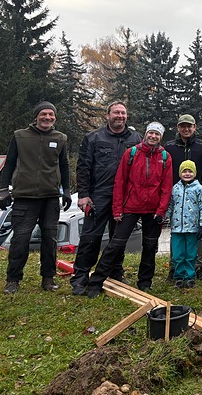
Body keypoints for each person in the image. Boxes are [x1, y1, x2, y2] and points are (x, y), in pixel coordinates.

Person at [87, 122, 173, 297]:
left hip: (152, 209)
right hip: (130, 206)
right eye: (151, 133)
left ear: (160, 137)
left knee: (150, 246)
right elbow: (120, 182)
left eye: (157, 134)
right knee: (116, 245)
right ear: (145, 134)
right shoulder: (131, 153)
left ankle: (145, 283)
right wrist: (117, 209)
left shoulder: (165, 157)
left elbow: (166, 187)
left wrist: (161, 210)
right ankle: (96, 282)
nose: (153, 136)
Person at [70, 101, 141, 296]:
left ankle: (115, 272)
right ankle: (80, 277)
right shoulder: (93, 138)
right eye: (116, 112)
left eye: (123, 113)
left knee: (118, 238)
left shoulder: (135, 138)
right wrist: (83, 195)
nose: (120, 116)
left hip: (125, 197)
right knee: (90, 237)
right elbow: (83, 167)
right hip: (99, 195)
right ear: (107, 115)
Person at [0, 102, 71, 294]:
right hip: (24, 197)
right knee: (20, 239)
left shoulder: (60, 138)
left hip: (50, 197)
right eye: (44, 114)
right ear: (36, 116)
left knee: (50, 239)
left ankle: (48, 278)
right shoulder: (20, 136)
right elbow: (9, 164)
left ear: (55, 117)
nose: (47, 117)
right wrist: (3, 190)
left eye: (51, 114)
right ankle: (13, 280)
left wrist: (66, 190)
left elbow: (64, 165)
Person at [164, 114, 202, 281]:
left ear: (194, 127)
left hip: (194, 195)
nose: (186, 129)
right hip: (175, 194)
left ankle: (199, 266)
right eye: (183, 126)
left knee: (196, 233)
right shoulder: (169, 147)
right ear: (178, 127)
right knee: (176, 233)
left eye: (189, 126)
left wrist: (201, 183)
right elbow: (163, 167)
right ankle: (174, 267)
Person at [168, 160, 202, 288]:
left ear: (195, 173)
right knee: (177, 254)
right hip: (177, 228)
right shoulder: (175, 188)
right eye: (184, 171)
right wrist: (164, 216)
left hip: (192, 228)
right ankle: (179, 276)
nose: (187, 174)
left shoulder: (199, 189)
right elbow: (170, 205)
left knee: (191, 254)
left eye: (190, 171)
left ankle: (190, 277)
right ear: (180, 173)